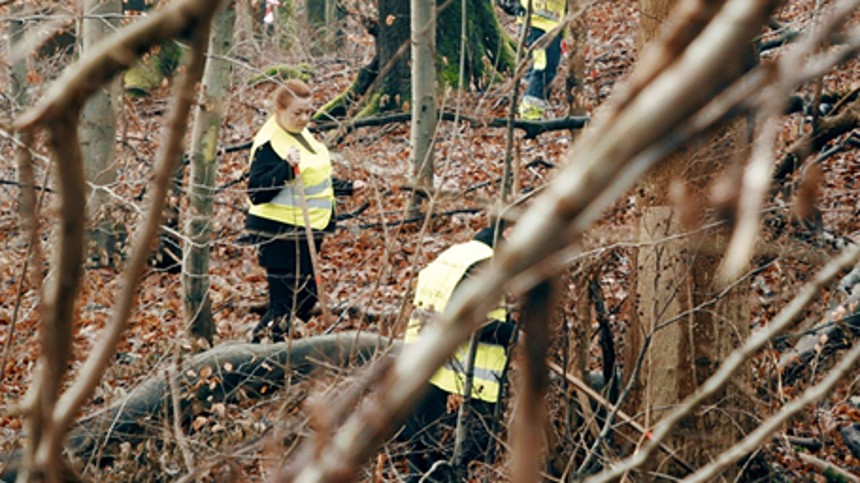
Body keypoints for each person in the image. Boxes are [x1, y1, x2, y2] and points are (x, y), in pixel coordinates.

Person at [245, 79, 363, 343]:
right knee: (284, 302)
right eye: (297, 113)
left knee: (306, 296)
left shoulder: (301, 133)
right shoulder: (269, 143)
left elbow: (310, 177)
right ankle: (265, 354)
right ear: (279, 110)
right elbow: (256, 192)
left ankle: (270, 345)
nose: (304, 118)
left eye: (308, 111)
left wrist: (346, 187)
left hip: (307, 230)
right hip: (277, 232)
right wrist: (285, 167)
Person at [398, 226, 516, 481]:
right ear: (509, 232)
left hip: (420, 377)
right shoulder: (486, 264)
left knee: (421, 469)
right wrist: (513, 333)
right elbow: (465, 317)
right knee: (446, 471)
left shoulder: (456, 255)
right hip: (456, 387)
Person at [498, 0, 567, 120]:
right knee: (544, 69)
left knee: (537, 69)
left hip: (548, 24)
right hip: (537, 23)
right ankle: (530, 116)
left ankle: (528, 108)